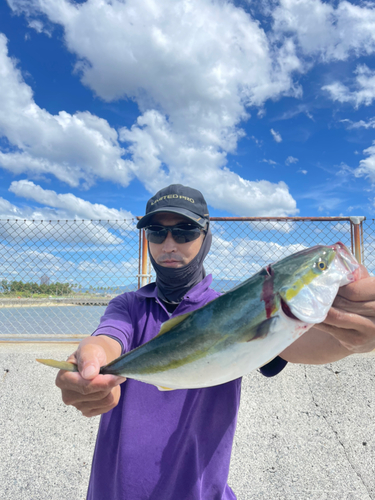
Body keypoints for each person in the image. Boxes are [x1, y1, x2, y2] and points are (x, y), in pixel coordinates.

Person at [56, 184, 375, 500]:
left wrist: (356, 337)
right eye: (156, 232)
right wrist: (92, 360)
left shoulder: (240, 308)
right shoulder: (128, 305)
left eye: (184, 232)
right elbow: (108, 338)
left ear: (206, 236)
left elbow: (311, 345)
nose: (169, 245)